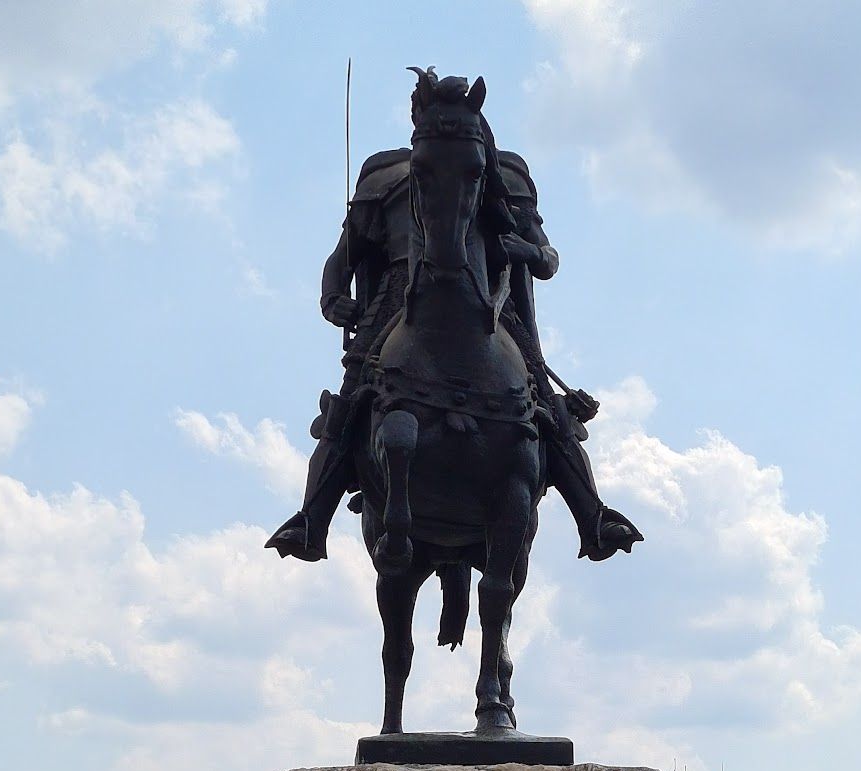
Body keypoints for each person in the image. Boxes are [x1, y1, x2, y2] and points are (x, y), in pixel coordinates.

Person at [267, 70, 641, 566]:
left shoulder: (505, 175)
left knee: (547, 406)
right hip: (397, 300)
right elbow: (345, 254)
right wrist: (333, 297)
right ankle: (312, 517)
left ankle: (592, 514)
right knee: (353, 398)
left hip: (490, 300)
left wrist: (524, 248)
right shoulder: (383, 176)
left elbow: (548, 259)